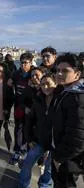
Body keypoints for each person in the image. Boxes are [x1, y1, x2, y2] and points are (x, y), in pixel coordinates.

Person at [51, 53, 84, 188]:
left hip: (69, 161)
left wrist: (59, 157)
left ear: (77, 74)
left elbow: (78, 137)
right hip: (65, 156)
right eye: (57, 70)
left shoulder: (78, 98)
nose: (59, 74)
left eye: (65, 71)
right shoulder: (67, 92)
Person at [18, 73, 57, 188]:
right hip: (40, 139)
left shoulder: (60, 101)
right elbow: (29, 121)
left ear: (56, 84)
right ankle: (23, 184)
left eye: (48, 84)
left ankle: (44, 184)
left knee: (50, 168)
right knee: (28, 162)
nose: (45, 87)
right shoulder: (38, 101)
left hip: (55, 142)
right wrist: (29, 139)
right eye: (42, 84)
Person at [8, 52, 34, 165]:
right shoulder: (16, 73)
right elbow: (10, 82)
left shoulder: (34, 73)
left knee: (28, 130)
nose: (23, 65)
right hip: (18, 105)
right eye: (22, 62)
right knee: (18, 129)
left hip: (30, 107)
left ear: (31, 62)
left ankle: (25, 151)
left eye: (26, 63)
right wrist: (10, 82)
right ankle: (17, 151)